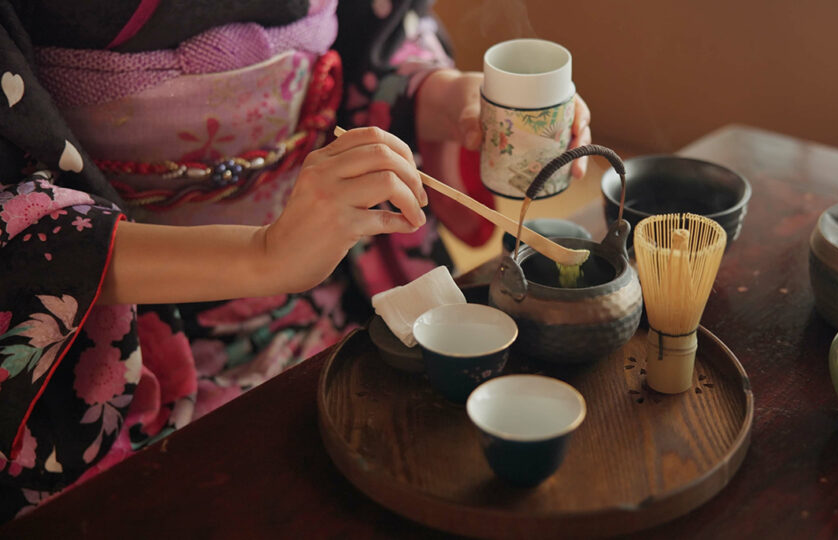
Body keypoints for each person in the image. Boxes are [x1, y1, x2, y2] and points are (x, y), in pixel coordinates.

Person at [0, 0, 591, 520]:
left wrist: (441, 100)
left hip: (333, 285)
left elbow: (373, 32)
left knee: (432, 459)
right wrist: (264, 254)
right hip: (121, 344)